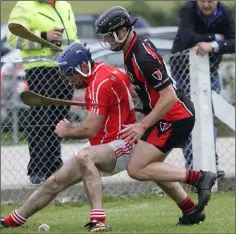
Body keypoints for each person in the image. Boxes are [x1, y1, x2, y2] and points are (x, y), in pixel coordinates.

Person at [95, 6, 217, 225]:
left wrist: (142, 125)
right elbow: (145, 88)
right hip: (164, 115)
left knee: (136, 168)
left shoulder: (141, 56)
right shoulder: (132, 46)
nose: (107, 40)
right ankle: (191, 211)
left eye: (109, 35)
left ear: (123, 31)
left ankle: (199, 178)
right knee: (152, 168)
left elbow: (168, 96)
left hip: (174, 117)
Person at [1, 42, 137, 232]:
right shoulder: (105, 73)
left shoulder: (99, 83)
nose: (69, 79)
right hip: (105, 147)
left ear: (83, 66)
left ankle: (98, 220)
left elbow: (90, 129)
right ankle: (13, 220)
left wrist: (67, 130)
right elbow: (134, 93)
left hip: (122, 145)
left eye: (71, 74)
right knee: (54, 182)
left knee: (85, 155)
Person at [7, 0, 79, 185]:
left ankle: (54, 166)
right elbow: (14, 39)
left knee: (59, 119)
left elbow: (73, 37)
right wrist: (43, 36)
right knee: (41, 119)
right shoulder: (25, 6)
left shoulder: (64, 5)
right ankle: (37, 169)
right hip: (40, 69)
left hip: (65, 69)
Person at [169, 0, 235, 176]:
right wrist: (218, 38)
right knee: (189, 119)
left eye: (210, 1)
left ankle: (211, 165)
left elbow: (234, 42)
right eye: (203, 1)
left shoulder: (225, 12)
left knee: (209, 119)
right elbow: (188, 38)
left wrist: (211, 45)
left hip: (210, 71)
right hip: (183, 72)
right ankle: (194, 168)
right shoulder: (188, 10)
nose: (206, 5)